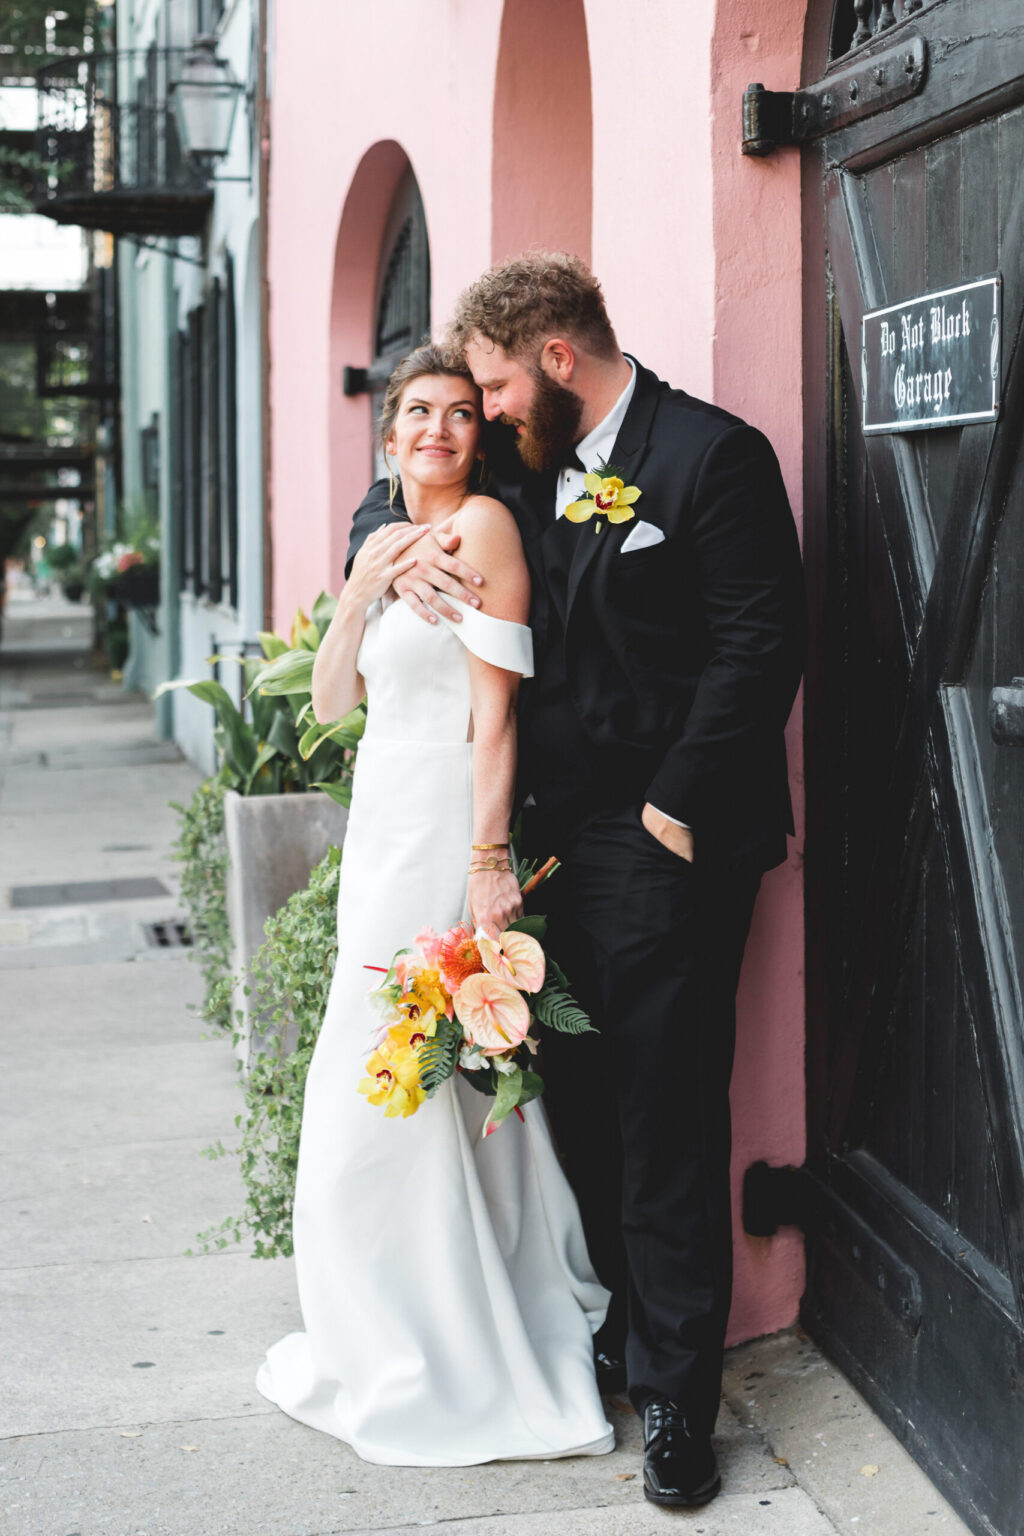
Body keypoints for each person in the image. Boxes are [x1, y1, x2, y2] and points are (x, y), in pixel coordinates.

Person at [347, 253, 806, 1507]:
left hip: (665, 841)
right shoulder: (516, 456)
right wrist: (389, 547)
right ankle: (613, 1330)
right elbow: (392, 483)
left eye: (491, 384)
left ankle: (676, 1401)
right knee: (574, 1100)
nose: (478, 412)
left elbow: (763, 643)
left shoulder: (714, 456)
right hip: (536, 849)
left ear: (555, 359)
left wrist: (669, 809)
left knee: (665, 1114)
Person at [256, 343, 614, 1467]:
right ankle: (376, 1323)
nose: (439, 431)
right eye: (419, 411)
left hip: (446, 826)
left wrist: (485, 855)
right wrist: (360, 591)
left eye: (461, 414)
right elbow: (329, 704)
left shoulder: (490, 534)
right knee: (368, 1066)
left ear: (480, 433)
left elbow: (496, 716)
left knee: (420, 1068)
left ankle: (455, 1328)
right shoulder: (381, 542)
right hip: (380, 823)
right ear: (390, 427)